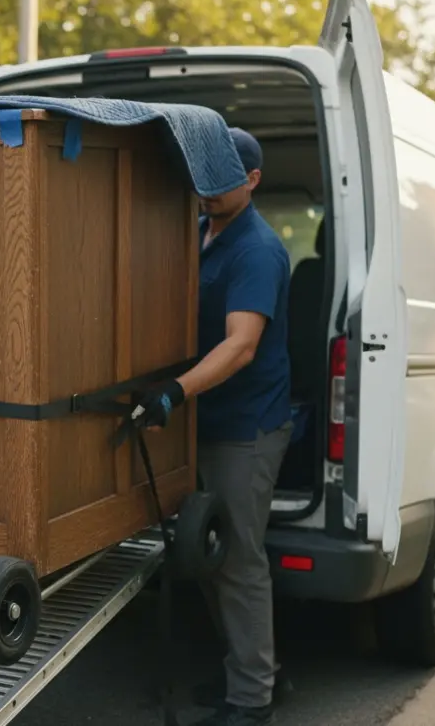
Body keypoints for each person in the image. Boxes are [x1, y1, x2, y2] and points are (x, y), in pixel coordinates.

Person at [130, 128, 292, 726]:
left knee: (238, 561)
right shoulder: (200, 230)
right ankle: (257, 671)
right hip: (206, 418)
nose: (205, 191)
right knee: (209, 550)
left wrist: (174, 391)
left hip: (244, 429)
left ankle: (252, 701)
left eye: (220, 182)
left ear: (251, 181)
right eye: (201, 177)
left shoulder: (256, 249)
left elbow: (242, 346)